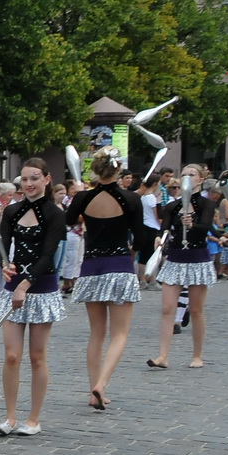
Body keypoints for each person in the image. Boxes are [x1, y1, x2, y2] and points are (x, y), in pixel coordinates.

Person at [65, 148, 146, 412]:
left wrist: (77, 196)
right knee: (120, 334)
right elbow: (141, 236)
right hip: (120, 262)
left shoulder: (83, 197)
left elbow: (68, 220)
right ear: (119, 169)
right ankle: (102, 383)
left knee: (96, 334)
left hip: (91, 265)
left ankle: (92, 389)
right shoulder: (131, 198)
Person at [0, 159, 67, 436]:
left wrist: (25, 285)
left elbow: (48, 256)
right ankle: (10, 416)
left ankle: (34, 418)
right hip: (14, 286)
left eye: (34, 178)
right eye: (24, 179)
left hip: (40, 287)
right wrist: (4, 265)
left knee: (37, 356)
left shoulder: (55, 213)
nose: (29, 184)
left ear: (46, 179)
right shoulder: (11, 211)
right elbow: (3, 245)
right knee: (12, 355)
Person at [146, 166, 219, 371]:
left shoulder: (207, 204)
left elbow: (205, 228)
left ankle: (197, 355)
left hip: (197, 258)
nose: (187, 177)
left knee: (196, 310)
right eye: (184, 174)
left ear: (201, 180)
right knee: (167, 308)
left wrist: (193, 223)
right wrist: (160, 239)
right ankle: (162, 355)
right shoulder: (173, 206)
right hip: (176, 258)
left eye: (191, 175)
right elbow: (165, 228)